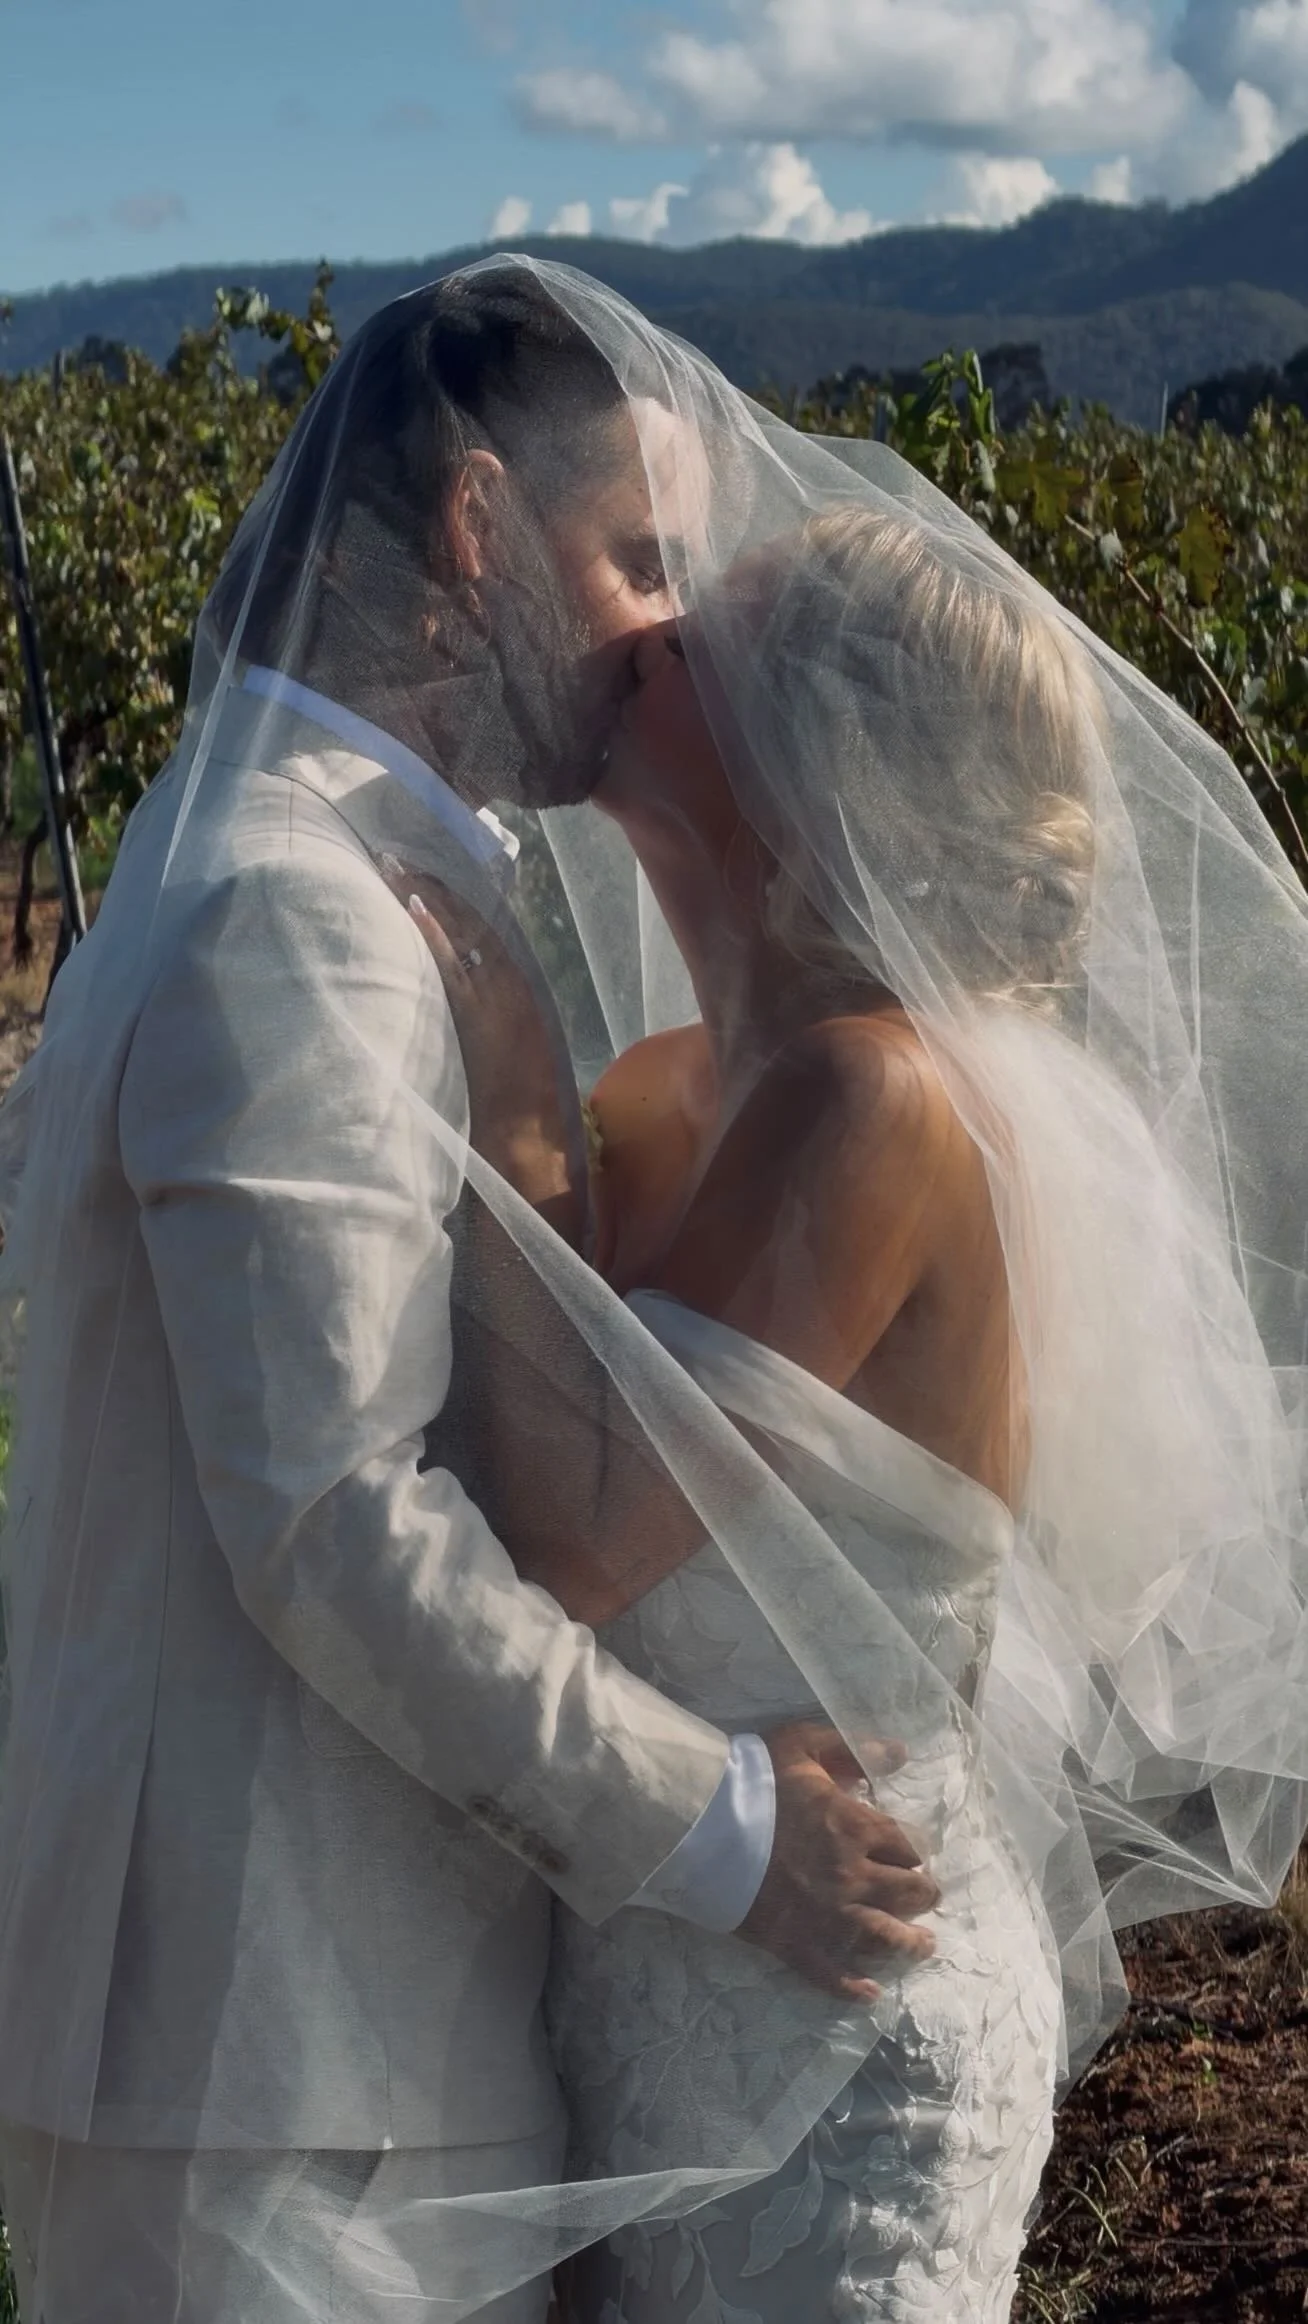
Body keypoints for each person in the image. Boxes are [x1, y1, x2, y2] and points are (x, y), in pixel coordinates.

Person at [0, 271, 937, 2324]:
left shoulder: (247, 849)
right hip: (277, 2076)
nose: (667, 634)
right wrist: (725, 1834)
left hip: (305, 2053)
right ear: (474, 525)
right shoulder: (301, 910)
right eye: (635, 559)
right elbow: (336, 1520)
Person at [393, 262, 1308, 2319]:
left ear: (823, 762)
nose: (644, 632)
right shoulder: (665, 1086)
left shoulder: (872, 1102)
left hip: (844, 2062)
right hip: (649, 2017)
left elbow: (577, 1541)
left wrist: (509, 1097)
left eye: (700, 629)